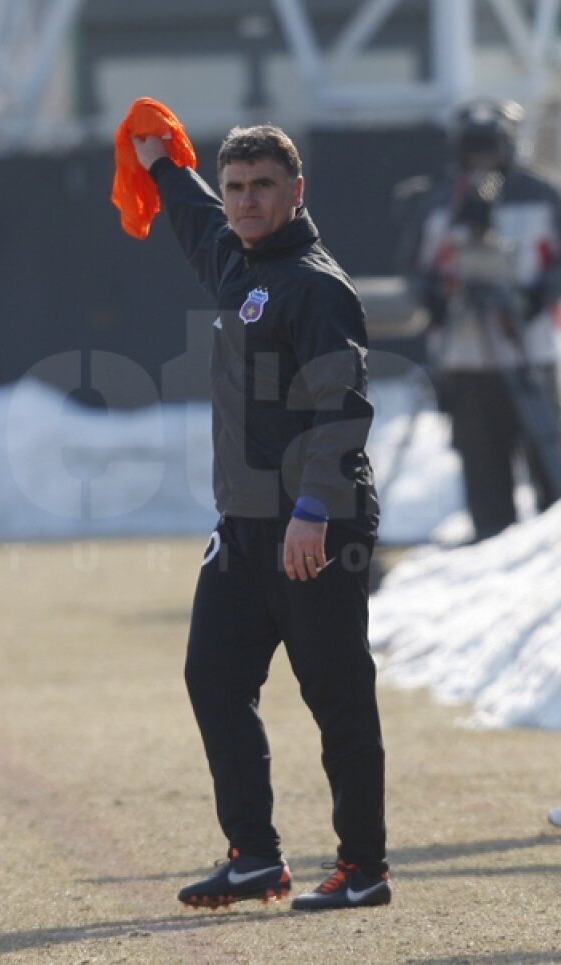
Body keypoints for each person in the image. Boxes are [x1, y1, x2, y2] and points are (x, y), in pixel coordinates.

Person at [127, 115, 390, 910]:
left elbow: (342, 409)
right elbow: (201, 222)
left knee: (336, 695)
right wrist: (163, 166)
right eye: (235, 186)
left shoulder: (315, 284)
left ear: (296, 192)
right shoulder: (242, 268)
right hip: (243, 528)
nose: (243, 201)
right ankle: (254, 855)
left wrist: (313, 508)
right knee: (212, 675)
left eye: (261, 186)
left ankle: (364, 868)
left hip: (316, 526)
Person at [400, 97, 561, 541]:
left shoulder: (542, 195)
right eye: (473, 148)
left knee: (549, 463)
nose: (481, 159)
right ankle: (491, 541)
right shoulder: (437, 201)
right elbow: (417, 270)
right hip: (465, 358)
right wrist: (442, 300)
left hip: (530, 352)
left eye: (489, 147)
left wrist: (530, 300)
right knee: (484, 470)